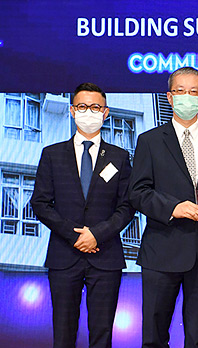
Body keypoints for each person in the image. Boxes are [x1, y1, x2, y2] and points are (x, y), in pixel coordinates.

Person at [128, 67, 198, 348]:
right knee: (154, 338)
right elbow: (137, 192)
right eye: (180, 91)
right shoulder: (150, 140)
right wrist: (174, 208)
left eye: (194, 92)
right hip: (161, 252)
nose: (187, 97)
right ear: (169, 97)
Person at [31, 82, 135, 348]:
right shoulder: (52, 155)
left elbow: (127, 206)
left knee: (102, 335)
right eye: (82, 106)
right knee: (63, 334)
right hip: (64, 255)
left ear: (106, 112)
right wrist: (74, 234)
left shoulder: (120, 157)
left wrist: (97, 235)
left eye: (95, 107)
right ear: (72, 110)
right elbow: (41, 203)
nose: (89, 112)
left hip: (106, 257)